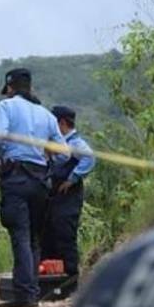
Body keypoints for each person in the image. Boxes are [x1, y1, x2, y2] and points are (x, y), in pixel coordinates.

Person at [0, 68, 66, 307]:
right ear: (30, 88)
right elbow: (63, 153)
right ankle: (31, 292)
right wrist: (46, 156)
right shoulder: (46, 115)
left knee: (20, 235)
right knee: (33, 238)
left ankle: (23, 294)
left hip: (16, 176)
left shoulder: (6, 107)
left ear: (10, 89)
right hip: (40, 179)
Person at [42, 105, 96, 278]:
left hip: (68, 197)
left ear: (62, 123)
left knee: (65, 235)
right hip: (54, 196)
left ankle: (71, 277)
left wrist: (72, 179)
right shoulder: (59, 144)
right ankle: (50, 276)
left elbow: (89, 157)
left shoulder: (75, 143)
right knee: (49, 234)